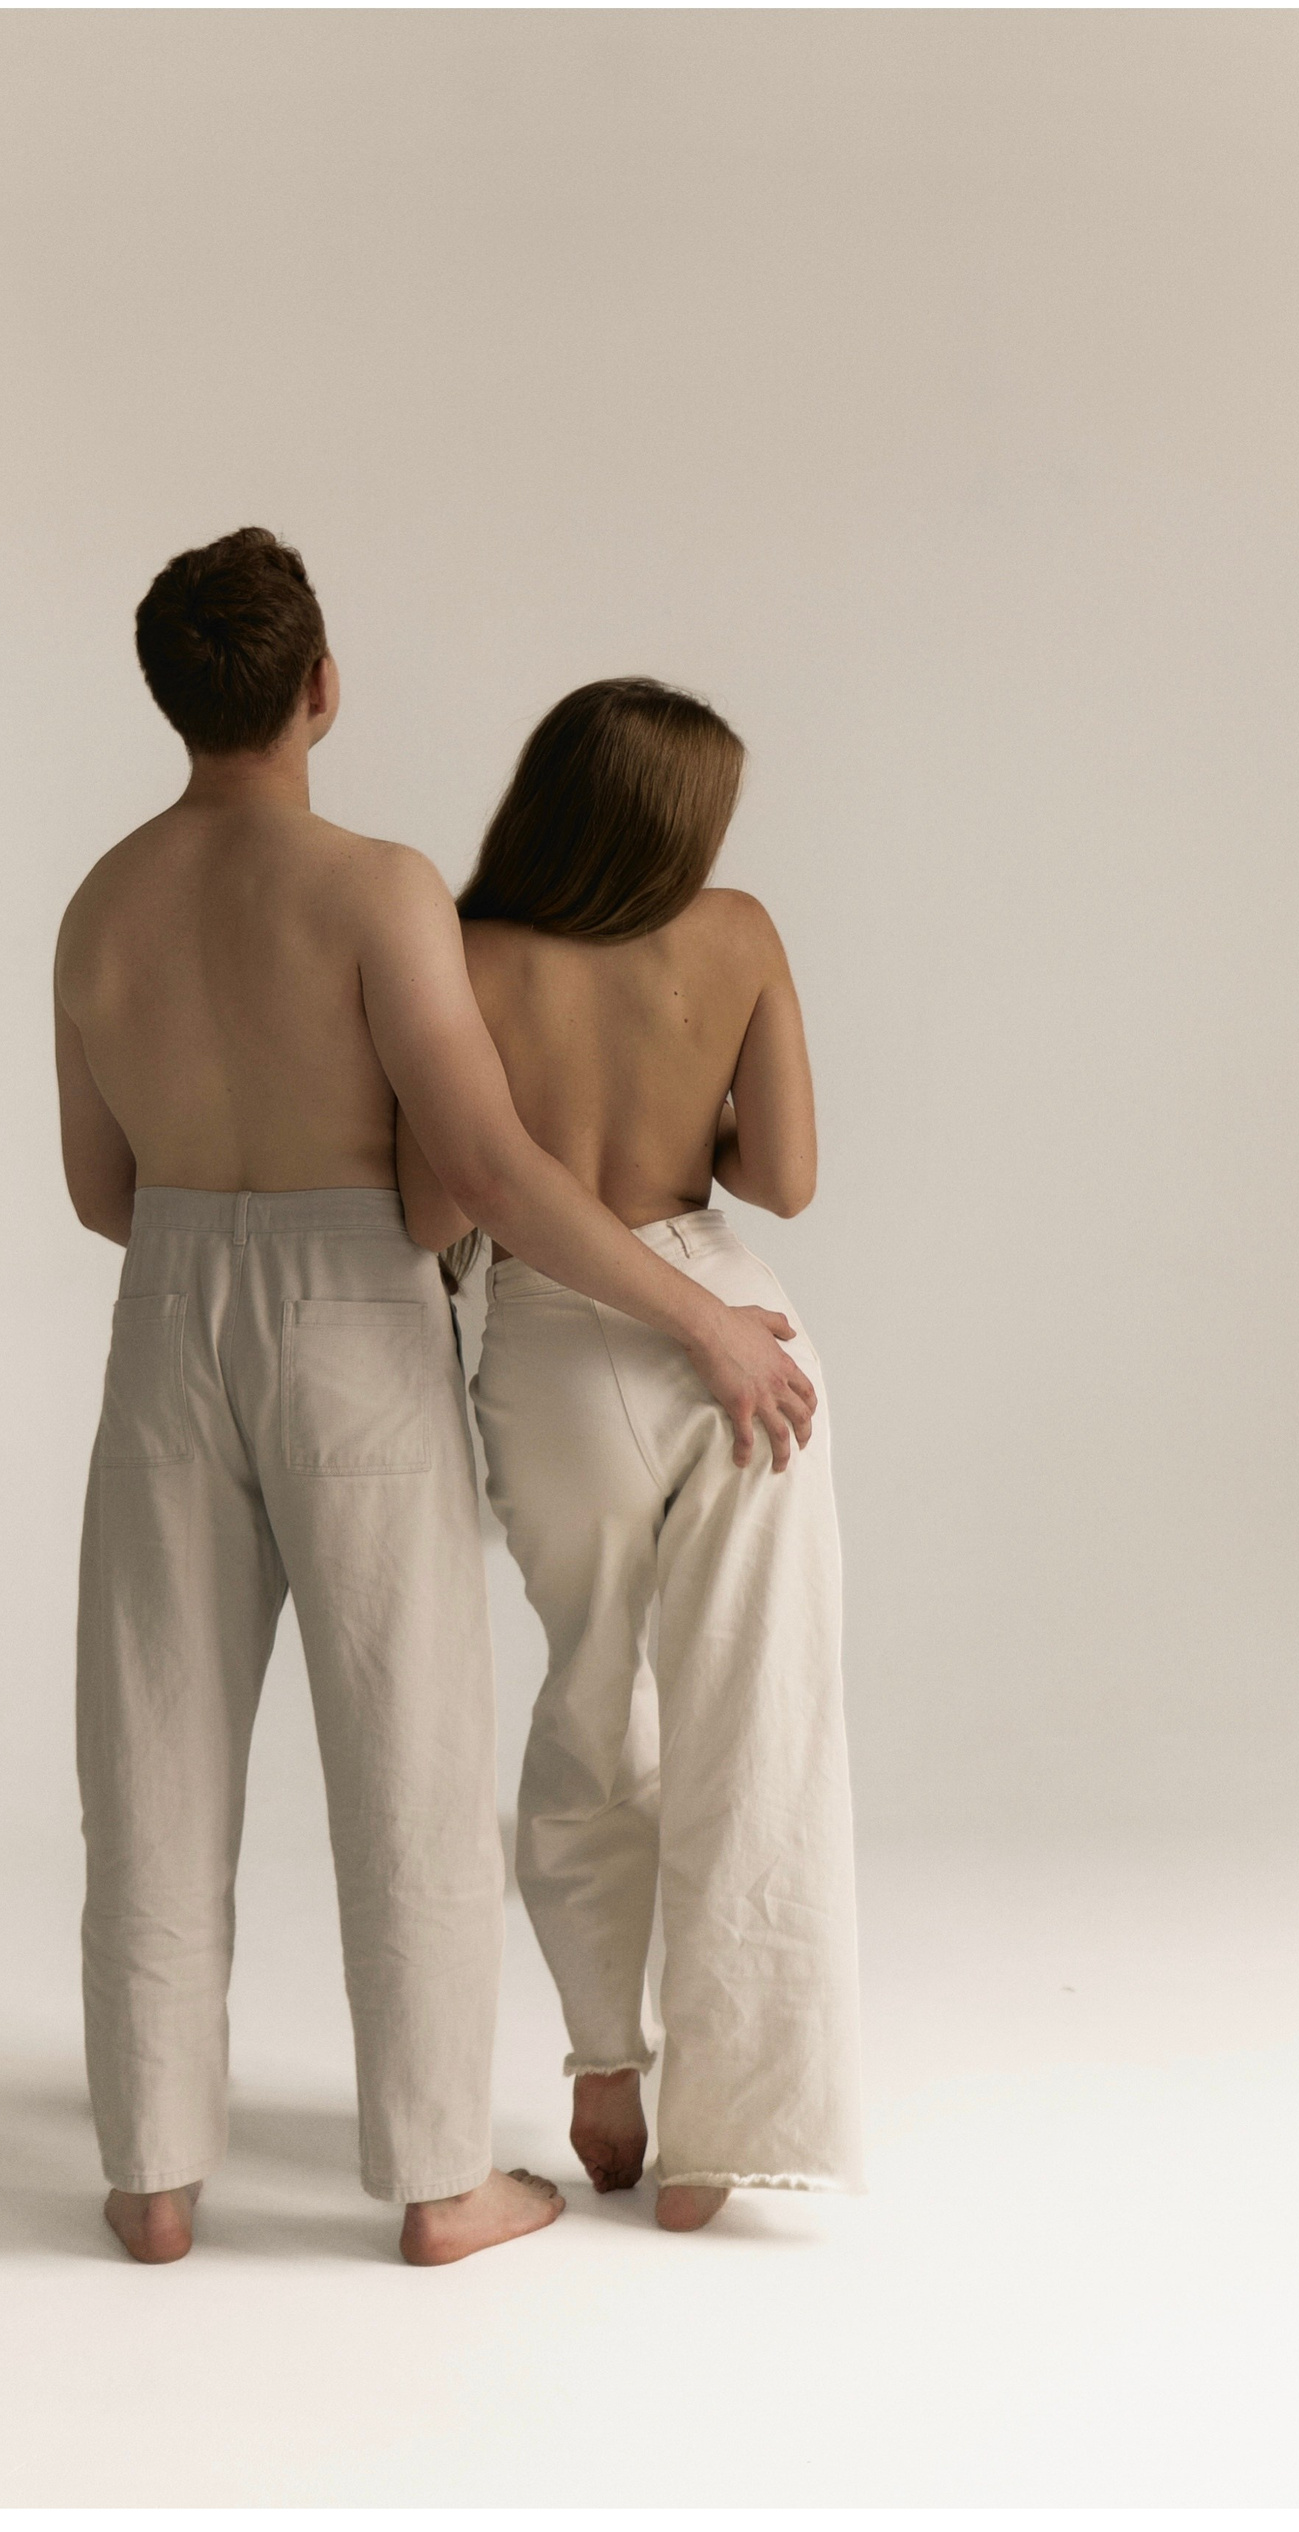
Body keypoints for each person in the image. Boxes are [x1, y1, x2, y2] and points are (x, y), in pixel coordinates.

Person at [53, 537, 818, 2266]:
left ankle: (152, 2176)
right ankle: (434, 2180)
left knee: (151, 1744)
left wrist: (211, 1232)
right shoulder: (378, 889)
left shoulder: (99, 905)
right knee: (407, 1748)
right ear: (322, 685)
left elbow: (100, 1191)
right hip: (347, 1312)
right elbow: (483, 1170)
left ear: (170, 697)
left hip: (163, 1312)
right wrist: (701, 1321)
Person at [397, 677, 864, 2232]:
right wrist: (685, 1120)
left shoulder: (465, 954)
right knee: (762, 1717)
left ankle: (607, 2067)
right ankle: (729, 2141)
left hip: (553, 1342)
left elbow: (436, 1207)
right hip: (741, 1332)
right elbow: (785, 1175)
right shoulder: (737, 934)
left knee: (596, 1695)